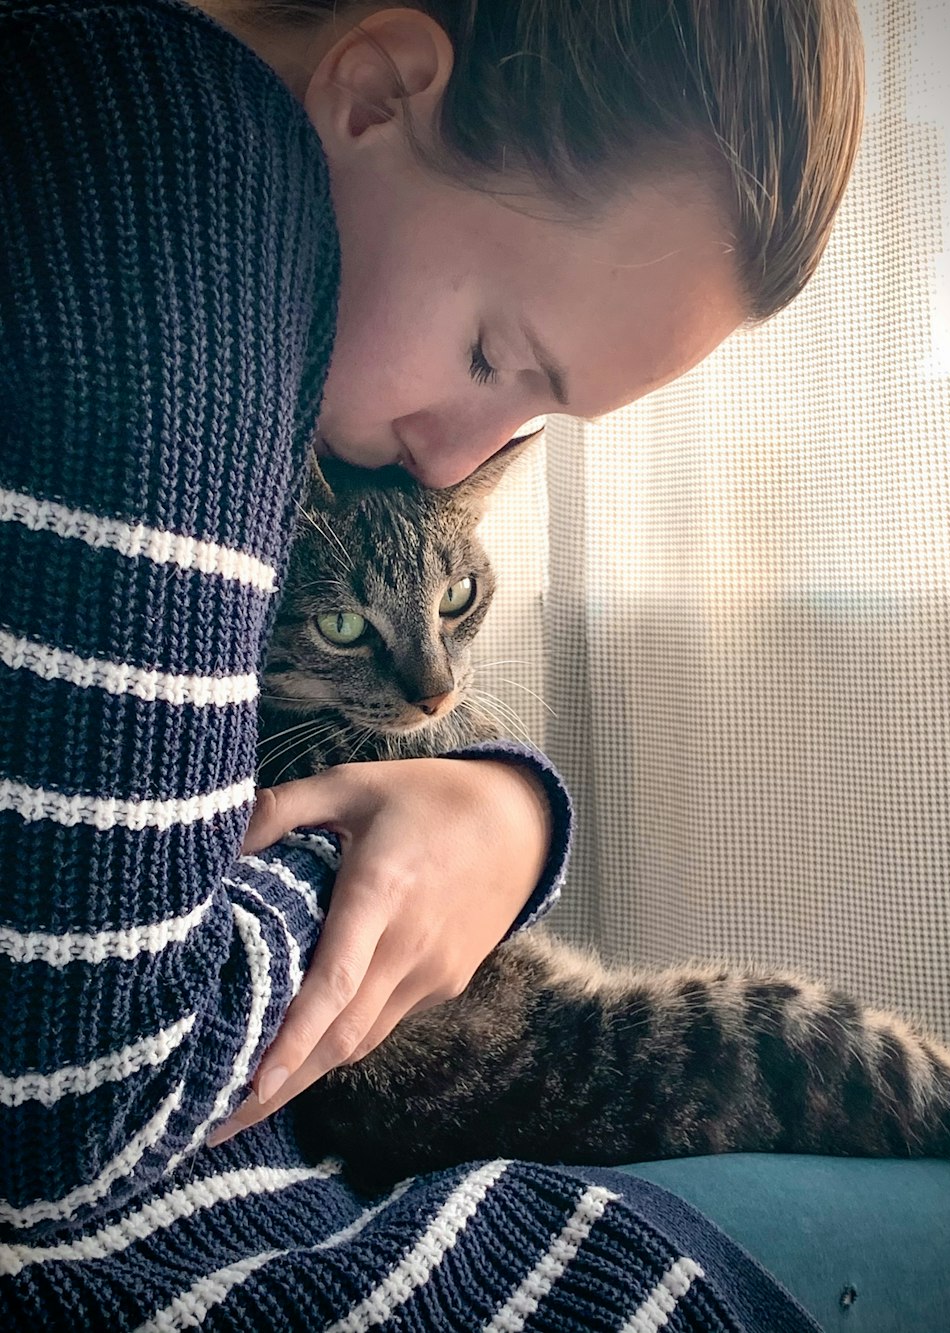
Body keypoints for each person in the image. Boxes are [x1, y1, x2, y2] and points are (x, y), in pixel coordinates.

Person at [0, 1, 863, 1328]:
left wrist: (497, 811)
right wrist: (398, 859)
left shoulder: (292, 340)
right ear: (377, 89)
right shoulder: (169, 172)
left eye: (528, 419)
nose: (460, 461)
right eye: (490, 359)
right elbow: (75, 1111)